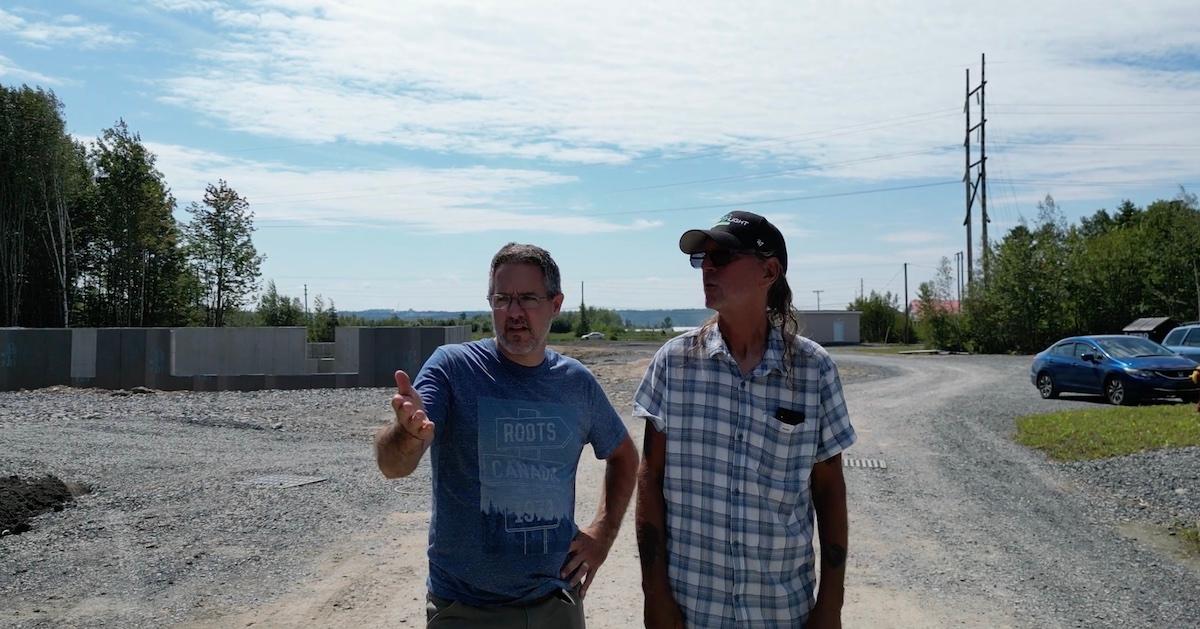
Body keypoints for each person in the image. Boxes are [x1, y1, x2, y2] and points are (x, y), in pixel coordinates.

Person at [375, 242, 638, 628]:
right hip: (465, 610)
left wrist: (602, 533)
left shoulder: (576, 383)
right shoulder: (454, 368)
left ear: (556, 304)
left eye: (528, 298)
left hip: (555, 606)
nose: (513, 313)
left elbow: (624, 455)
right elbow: (392, 466)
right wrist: (405, 433)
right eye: (502, 299)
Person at [634, 211, 856, 628]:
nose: (708, 268)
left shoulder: (812, 369)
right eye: (703, 258)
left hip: (780, 611)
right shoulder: (674, 363)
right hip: (692, 609)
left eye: (723, 256)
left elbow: (829, 491)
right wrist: (655, 594)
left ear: (769, 271)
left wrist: (830, 606)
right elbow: (651, 477)